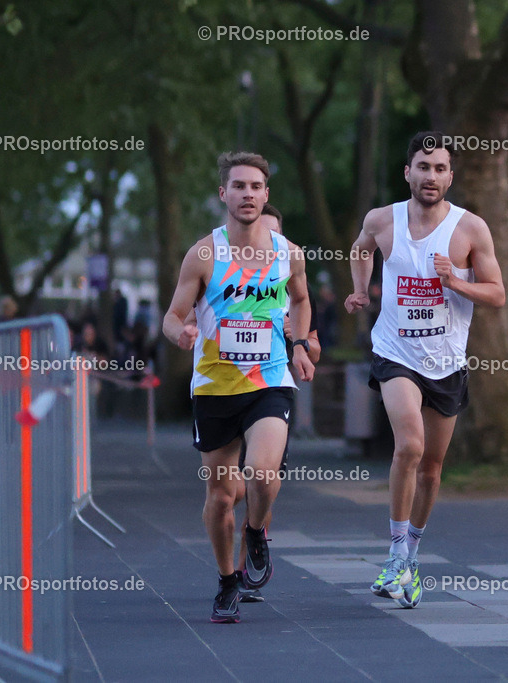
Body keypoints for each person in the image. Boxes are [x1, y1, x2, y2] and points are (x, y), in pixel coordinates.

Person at [345, 131, 505, 608]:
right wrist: (361, 289)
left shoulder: (470, 228)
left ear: (450, 176)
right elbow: (360, 248)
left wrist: (455, 281)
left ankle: (410, 556)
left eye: (439, 168)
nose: (430, 176)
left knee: (432, 468)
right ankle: (395, 552)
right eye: (422, 166)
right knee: (410, 445)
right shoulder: (382, 219)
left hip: (447, 361)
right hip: (395, 353)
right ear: (408, 172)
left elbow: (497, 293)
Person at [163, 152, 315, 623]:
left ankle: (254, 530)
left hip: (270, 379)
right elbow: (172, 316)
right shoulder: (203, 254)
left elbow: (302, 300)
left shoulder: (289, 253)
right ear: (223, 194)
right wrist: (181, 333)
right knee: (220, 495)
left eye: (255, 186)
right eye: (238, 186)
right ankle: (228, 580)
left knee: (262, 473)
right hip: (215, 386)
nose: (247, 194)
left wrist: (299, 345)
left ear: (266, 194)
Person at [232, 203, 321, 603]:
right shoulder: (221, 270)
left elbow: (313, 346)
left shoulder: (288, 279)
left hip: (271, 392)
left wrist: (297, 340)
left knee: (260, 480)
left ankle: (243, 568)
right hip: (224, 390)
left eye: (271, 235)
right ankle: (233, 567)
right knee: (229, 491)